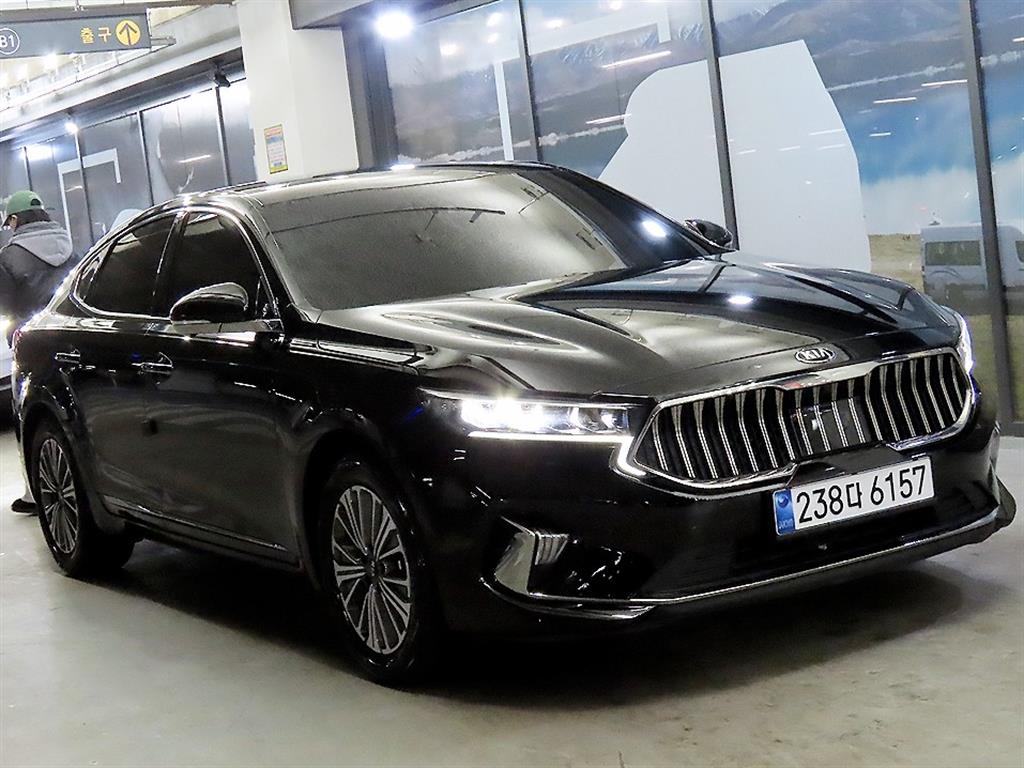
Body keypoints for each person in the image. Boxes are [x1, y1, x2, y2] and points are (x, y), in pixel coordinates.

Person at [0, 190, 77, 514]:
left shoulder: (8, 257)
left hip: (30, 342)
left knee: (30, 414)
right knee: (70, 414)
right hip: (71, 335)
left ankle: (36, 492)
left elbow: (4, 304)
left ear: (16, 220)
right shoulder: (70, 245)